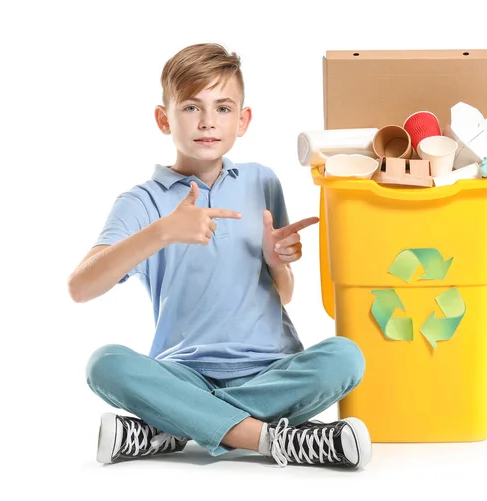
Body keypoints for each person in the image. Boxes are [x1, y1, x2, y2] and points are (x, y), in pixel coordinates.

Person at [67, 43, 372, 469]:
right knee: (105, 364)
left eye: (223, 108)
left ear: (243, 120)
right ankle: (272, 440)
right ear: (163, 118)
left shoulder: (262, 181)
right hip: (182, 373)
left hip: (272, 371)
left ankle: (171, 425)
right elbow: (80, 287)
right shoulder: (141, 203)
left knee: (346, 356)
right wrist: (161, 232)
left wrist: (276, 263)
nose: (208, 122)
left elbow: (283, 296)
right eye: (192, 107)